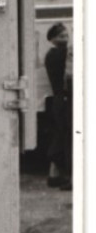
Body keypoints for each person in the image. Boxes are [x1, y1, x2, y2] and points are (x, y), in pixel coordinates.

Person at [44, 22, 72, 190]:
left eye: (66, 36)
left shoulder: (50, 54)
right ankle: (72, 178)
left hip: (57, 99)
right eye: (61, 36)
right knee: (68, 137)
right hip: (64, 99)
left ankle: (54, 175)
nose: (65, 39)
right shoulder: (60, 54)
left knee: (60, 136)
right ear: (52, 39)